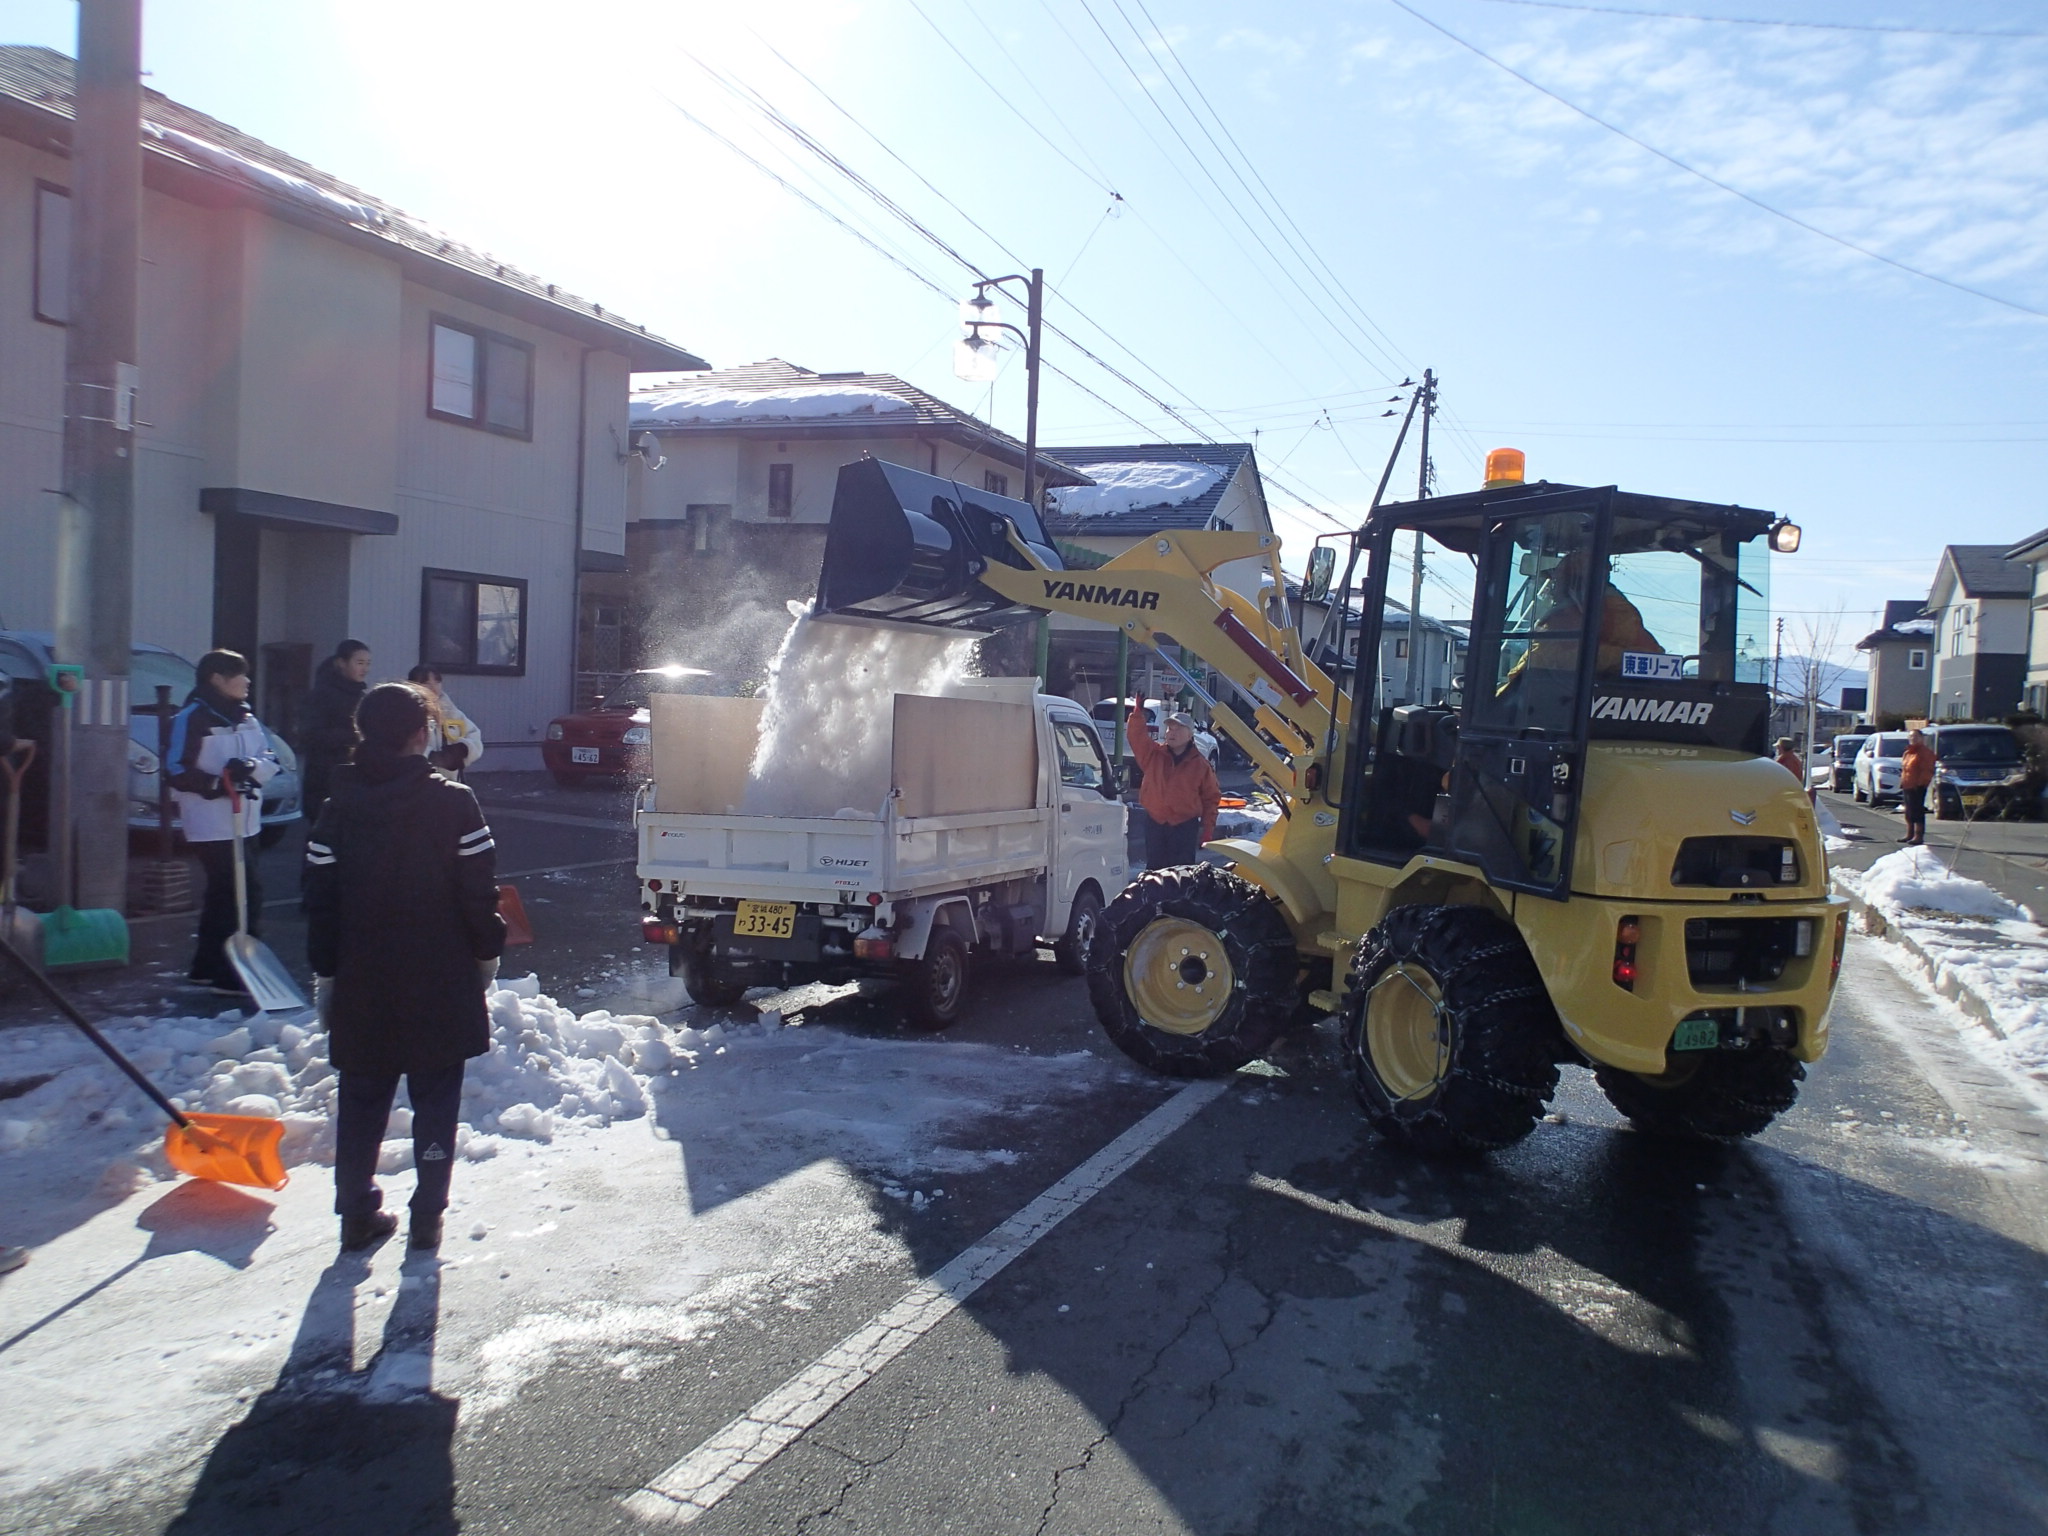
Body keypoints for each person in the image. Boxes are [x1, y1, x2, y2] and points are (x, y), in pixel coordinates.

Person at [305, 682, 505, 1252]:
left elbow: (319, 901)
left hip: (362, 979)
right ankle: (427, 1218)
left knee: (363, 1097)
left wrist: (327, 973)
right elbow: (478, 894)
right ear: (423, 734)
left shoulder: (336, 806)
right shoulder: (453, 802)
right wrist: (486, 954)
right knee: (436, 1097)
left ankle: (355, 1215)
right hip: (439, 977)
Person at [165, 650, 280, 995]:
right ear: (217, 678)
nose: (247, 682)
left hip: (245, 819)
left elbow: (268, 756)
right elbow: (175, 768)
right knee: (235, 893)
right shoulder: (192, 717)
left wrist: (251, 769)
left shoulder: (246, 717)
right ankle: (228, 970)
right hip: (210, 821)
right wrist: (217, 783)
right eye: (240, 675)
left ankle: (208, 967)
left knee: (236, 892)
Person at [1127, 706, 1221, 869]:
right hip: (1155, 823)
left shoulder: (1200, 765)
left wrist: (1207, 830)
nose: (1172, 732)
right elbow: (1136, 738)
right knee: (1154, 875)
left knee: (1181, 876)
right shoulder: (1153, 755)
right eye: (1170, 728)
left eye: (1179, 728)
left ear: (1190, 734)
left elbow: (1211, 799)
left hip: (1184, 827)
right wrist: (1136, 715)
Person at [298, 640, 371, 824]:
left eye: (368, 663)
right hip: (324, 777)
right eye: (359, 663)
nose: (365, 669)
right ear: (341, 662)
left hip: (357, 777)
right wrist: (355, 736)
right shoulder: (321, 695)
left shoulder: (363, 696)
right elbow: (310, 735)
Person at [406, 665, 485, 777]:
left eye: (437, 682)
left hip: (450, 785)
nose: (433, 688)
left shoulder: (451, 712)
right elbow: (398, 747)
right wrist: (431, 756)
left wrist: (464, 749)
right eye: (426, 683)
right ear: (412, 686)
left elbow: (474, 735)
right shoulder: (406, 714)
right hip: (417, 785)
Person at [1899, 727, 1935, 847]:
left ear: (1921, 738)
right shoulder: (1907, 753)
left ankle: (1918, 835)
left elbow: (1927, 770)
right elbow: (1905, 770)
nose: (1913, 739)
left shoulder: (1925, 753)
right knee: (1908, 811)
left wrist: (1920, 784)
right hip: (1907, 785)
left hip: (1918, 786)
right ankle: (1909, 833)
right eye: (1911, 737)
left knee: (1917, 810)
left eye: (1915, 737)